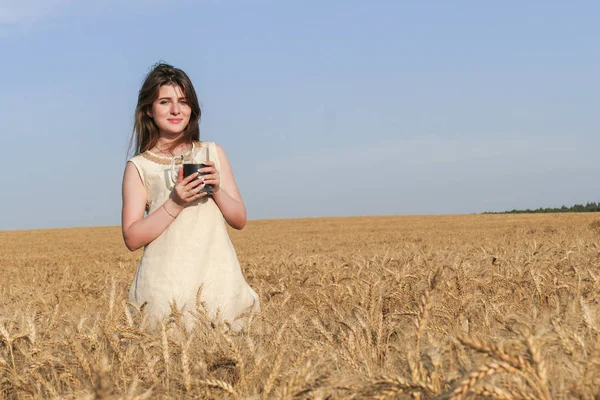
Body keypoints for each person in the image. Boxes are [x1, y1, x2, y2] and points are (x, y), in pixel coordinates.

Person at [121, 62, 259, 331]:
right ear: (149, 109)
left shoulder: (213, 153)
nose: (176, 110)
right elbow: (132, 237)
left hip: (218, 283)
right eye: (165, 102)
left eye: (183, 102)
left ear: (192, 109)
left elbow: (240, 219)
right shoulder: (139, 167)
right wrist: (175, 202)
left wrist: (217, 190)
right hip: (163, 290)